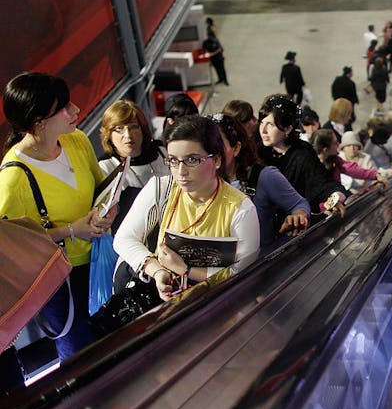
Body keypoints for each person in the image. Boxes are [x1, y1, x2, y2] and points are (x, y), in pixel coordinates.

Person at [0, 72, 116, 360]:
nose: (76, 110)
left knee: (114, 338)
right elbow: (11, 248)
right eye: (64, 106)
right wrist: (71, 231)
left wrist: (107, 212)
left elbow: (99, 190)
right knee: (80, 355)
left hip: (101, 259)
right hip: (61, 279)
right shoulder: (14, 178)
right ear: (39, 122)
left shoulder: (76, 140)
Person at [113, 115, 260, 301]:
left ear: (216, 160)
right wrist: (157, 270)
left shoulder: (240, 209)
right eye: (173, 160)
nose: (181, 171)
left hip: (215, 307)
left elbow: (241, 271)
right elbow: (124, 239)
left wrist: (186, 269)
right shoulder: (161, 188)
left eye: (192, 160)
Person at [210, 113, 309, 248]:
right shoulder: (200, 182)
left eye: (218, 145)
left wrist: (298, 216)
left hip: (259, 265)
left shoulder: (264, 176)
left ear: (236, 148)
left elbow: (299, 204)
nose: (210, 153)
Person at [257, 94, 347, 215]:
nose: (263, 131)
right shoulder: (257, 150)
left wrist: (336, 196)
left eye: (270, 125)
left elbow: (322, 183)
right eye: (262, 123)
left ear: (288, 129)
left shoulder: (302, 152)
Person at [99, 100, 170, 233]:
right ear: (109, 134)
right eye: (119, 129)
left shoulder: (162, 150)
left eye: (133, 127)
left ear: (142, 129)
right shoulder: (106, 167)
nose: (128, 135)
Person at [312, 129, 392, 189]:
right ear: (325, 150)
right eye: (335, 143)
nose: (338, 144)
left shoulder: (334, 159)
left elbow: (351, 169)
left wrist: (375, 175)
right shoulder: (311, 166)